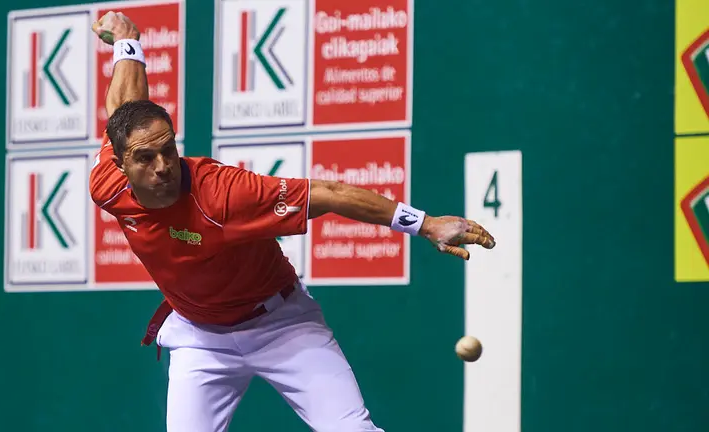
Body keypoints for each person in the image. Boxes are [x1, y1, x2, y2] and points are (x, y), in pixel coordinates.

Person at [89, 11, 496, 432]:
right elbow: (124, 108)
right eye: (144, 158)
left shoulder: (223, 194)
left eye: (168, 150)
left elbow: (329, 194)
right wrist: (127, 42)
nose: (162, 166)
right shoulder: (107, 184)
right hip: (201, 338)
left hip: (281, 326)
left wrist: (425, 224)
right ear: (120, 164)